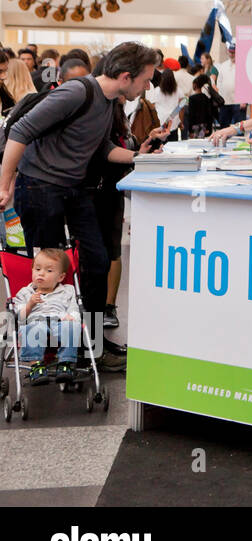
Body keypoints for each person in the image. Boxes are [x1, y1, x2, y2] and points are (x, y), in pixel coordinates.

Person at [0, 41, 157, 372]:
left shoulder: (107, 101)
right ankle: (52, 351)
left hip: (72, 189)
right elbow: (20, 130)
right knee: (52, 270)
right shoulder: (77, 92)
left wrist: (142, 159)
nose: (147, 87)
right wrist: (4, 183)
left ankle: (94, 346)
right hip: (41, 188)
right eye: (145, 80)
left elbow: (102, 148)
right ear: (127, 76)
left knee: (97, 261)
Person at [12, 247, 80, 385]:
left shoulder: (67, 291)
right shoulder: (25, 292)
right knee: (30, 329)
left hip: (60, 320)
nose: (41, 274)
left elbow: (74, 308)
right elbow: (20, 317)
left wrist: (71, 317)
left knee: (72, 327)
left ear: (61, 277)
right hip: (35, 321)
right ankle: (35, 366)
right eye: (37, 269)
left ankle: (65, 364)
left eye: (49, 271)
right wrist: (30, 304)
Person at [146, 65, 184, 140]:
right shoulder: (179, 91)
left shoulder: (156, 91)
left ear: (162, 79)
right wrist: (180, 121)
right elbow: (182, 107)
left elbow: (152, 107)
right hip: (173, 122)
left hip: (160, 124)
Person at [184, 73, 224, 138]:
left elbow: (191, 115)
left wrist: (190, 130)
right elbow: (209, 114)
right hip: (205, 126)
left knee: (195, 146)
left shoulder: (192, 98)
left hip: (195, 127)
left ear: (195, 85)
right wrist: (208, 127)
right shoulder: (207, 98)